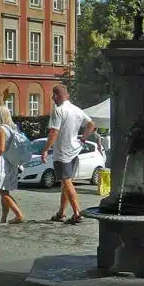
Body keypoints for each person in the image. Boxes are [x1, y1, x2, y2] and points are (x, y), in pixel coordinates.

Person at [42, 86, 95, 225]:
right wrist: (83, 139)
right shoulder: (77, 110)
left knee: (66, 182)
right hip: (75, 150)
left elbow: (53, 132)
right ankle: (61, 213)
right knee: (66, 183)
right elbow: (91, 124)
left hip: (62, 152)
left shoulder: (58, 111)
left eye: (53, 96)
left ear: (56, 96)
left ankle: (77, 213)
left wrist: (45, 150)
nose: (52, 98)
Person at [0, 104, 25, 224]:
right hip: (12, 161)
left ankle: (18, 214)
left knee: (3, 192)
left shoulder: (1, 129)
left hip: (3, 163)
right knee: (5, 191)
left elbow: (1, 149)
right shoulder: (12, 128)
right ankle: (3, 218)